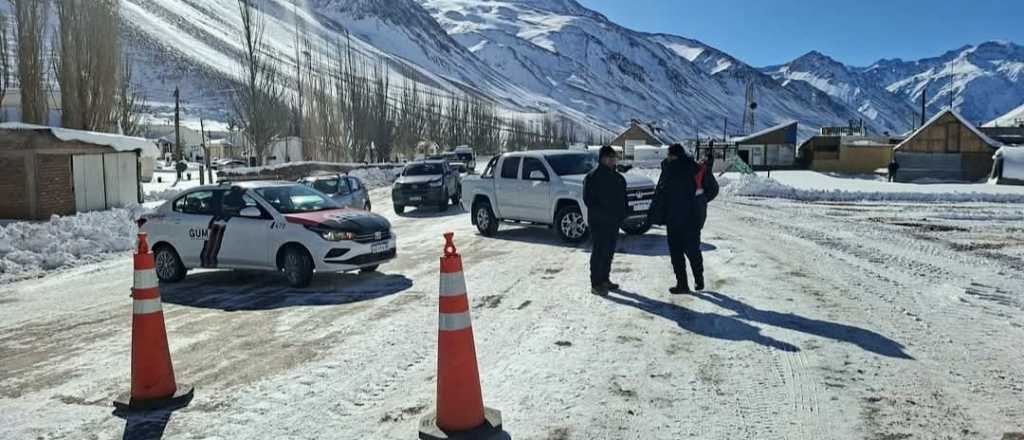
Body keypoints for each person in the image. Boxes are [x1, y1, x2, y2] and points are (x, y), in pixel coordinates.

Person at [656, 144, 701, 294]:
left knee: (678, 252)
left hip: (677, 218)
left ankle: (684, 283)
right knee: (690, 250)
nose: (667, 157)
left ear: (674, 155)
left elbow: (661, 192)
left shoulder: (671, 169)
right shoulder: (693, 168)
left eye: (669, 155)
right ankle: (695, 279)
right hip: (687, 218)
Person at [583, 146, 627, 296]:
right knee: (598, 252)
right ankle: (595, 283)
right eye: (609, 157)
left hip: (613, 222)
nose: (612, 160)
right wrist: (604, 213)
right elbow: (588, 200)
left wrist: (622, 214)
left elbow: (623, 199)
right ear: (602, 158)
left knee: (609, 251)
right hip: (598, 222)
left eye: (613, 157)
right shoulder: (592, 177)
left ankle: (605, 279)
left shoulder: (617, 177)